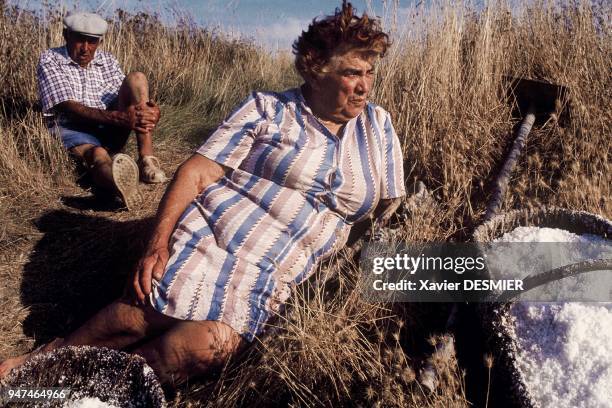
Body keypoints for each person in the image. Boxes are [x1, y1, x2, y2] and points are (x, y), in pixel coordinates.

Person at [0, 2, 405, 387]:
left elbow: (391, 209)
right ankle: (48, 362)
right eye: (353, 72)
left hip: (281, 268)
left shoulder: (378, 126)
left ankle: (103, 387)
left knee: (202, 347)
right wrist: (156, 244)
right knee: (150, 308)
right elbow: (196, 172)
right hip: (221, 234)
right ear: (316, 69)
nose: (365, 86)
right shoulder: (268, 109)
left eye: (370, 72)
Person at [38, 11, 167, 209]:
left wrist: (149, 111)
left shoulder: (107, 60)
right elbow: (69, 107)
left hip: (107, 125)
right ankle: (120, 184)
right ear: (66, 35)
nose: (85, 49)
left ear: (99, 41)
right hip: (73, 127)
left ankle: (146, 160)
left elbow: (126, 97)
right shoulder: (51, 59)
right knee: (97, 155)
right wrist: (118, 118)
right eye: (80, 40)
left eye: (92, 42)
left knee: (137, 78)